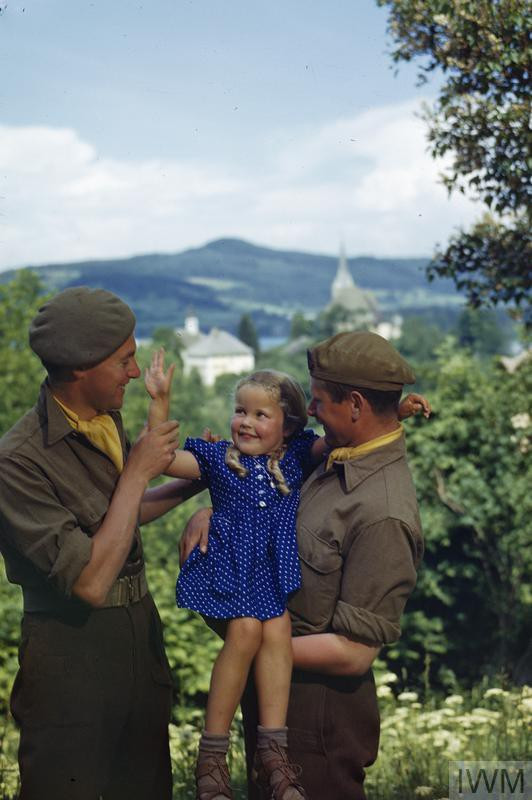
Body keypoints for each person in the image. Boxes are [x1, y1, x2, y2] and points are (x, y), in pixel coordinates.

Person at [146, 351, 428, 800]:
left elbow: (354, 653)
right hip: (270, 676)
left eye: (261, 414)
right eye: (241, 411)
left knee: (252, 630)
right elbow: (165, 461)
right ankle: (214, 759)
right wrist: (212, 513)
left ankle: (239, 755)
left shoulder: (375, 505)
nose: (246, 422)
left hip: (316, 719)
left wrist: (254, 645)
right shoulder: (320, 460)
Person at [0, 287, 200, 800]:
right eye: (124, 361)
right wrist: (137, 470)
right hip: (71, 663)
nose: (135, 373)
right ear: (80, 370)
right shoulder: (17, 463)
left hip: (137, 646)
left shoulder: (102, 420)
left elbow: (123, 517)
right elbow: (89, 582)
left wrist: (201, 486)